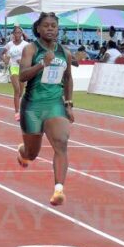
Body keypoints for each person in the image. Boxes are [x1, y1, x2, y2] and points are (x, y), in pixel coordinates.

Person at [16, 13, 75, 206]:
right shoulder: (30, 49)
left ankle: (59, 190)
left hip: (54, 104)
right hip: (33, 106)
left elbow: (67, 78)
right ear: (38, 29)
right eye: (46, 26)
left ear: (58, 29)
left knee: (61, 142)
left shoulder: (64, 52)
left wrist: (68, 103)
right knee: (32, 154)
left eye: (54, 26)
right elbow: (22, 76)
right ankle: (23, 152)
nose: (50, 29)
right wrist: (42, 64)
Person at [1, 25, 29, 122]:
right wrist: (5, 59)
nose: (17, 34)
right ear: (13, 34)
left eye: (19, 32)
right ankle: (17, 112)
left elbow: (30, 57)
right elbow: (1, 54)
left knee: (21, 92)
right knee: (16, 90)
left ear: (21, 34)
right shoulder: (9, 44)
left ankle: (20, 106)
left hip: (22, 69)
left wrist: (23, 60)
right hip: (13, 68)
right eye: (15, 32)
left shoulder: (26, 44)